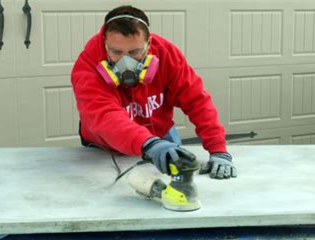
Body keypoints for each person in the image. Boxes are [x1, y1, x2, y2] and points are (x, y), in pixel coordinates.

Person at [71, 5, 237, 179]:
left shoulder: (167, 54)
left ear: (149, 43)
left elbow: (196, 100)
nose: (125, 61)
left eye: (135, 52)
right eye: (116, 52)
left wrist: (218, 150)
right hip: (106, 145)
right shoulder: (88, 65)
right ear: (104, 44)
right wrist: (148, 144)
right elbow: (103, 115)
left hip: (160, 135)